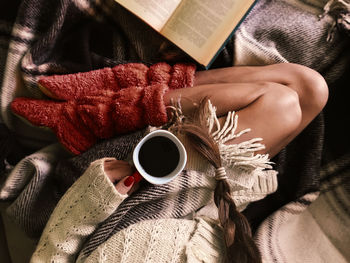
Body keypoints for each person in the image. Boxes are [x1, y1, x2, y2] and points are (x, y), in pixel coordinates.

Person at [30, 63, 328, 263]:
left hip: (135, 203)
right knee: (310, 90)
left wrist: (98, 195)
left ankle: (109, 108)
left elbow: (51, 256)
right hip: (210, 209)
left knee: (284, 103)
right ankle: (130, 94)